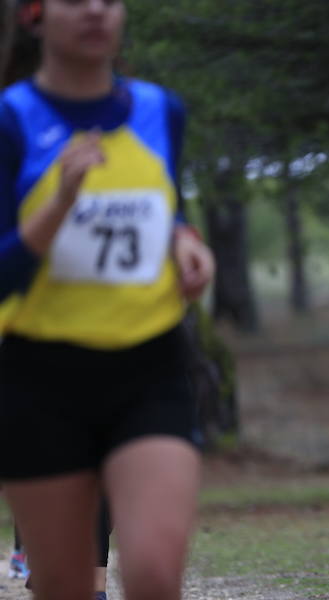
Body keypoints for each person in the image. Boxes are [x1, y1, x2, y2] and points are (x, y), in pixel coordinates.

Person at [0, 2, 214, 600]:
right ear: (34, 16)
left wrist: (184, 242)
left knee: (152, 574)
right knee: (66, 586)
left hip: (150, 367)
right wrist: (60, 203)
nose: (95, 9)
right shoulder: (11, 121)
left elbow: (161, 205)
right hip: (39, 375)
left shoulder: (160, 110)